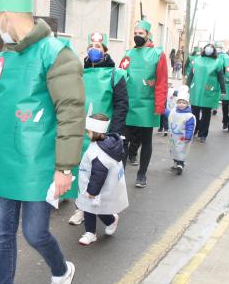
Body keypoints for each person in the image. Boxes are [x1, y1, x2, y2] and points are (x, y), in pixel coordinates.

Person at [0, 0, 84, 284]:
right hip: (4, 160)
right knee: (1, 236)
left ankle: (62, 270)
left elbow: (71, 112)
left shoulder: (56, 53)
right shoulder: (4, 57)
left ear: (8, 15)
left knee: (35, 233)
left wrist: (65, 167)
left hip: (39, 163)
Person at [68, 32, 129, 226]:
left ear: (105, 51)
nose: (93, 50)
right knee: (80, 170)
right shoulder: (79, 73)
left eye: (98, 47)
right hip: (80, 131)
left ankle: (105, 213)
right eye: (90, 47)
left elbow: (121, 105)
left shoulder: (115, 74)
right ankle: (81, 208)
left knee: (99, 173)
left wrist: (116, 133)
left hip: (102, 134)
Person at [119, 19, 168, 188]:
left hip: (148, 106)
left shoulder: (158, 54)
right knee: (123, 141)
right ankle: (119, 175)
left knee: (146, 141)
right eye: (135, 33)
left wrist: (159, 106)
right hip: (129, 105)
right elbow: (120, 77)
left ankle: (142, 175)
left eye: (141, 33)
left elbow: (162, 81)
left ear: (148, 35)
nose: (137, 36)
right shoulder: (128, 54)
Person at [76, 114, 128, 245]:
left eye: (88, 131)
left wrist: (92, 191)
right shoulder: (107, 143)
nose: (87, 134)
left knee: (97, 208)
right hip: (101, 186)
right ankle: (90, 232)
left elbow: (98, 174)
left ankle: (110, 221)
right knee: (89, 208)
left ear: (94, 132)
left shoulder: (99, 152)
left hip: (96, 187)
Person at [186, 43, 226, 142]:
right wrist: (186, 86)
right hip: (196, 90)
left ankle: (203, 134)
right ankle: (195, 129)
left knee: (206, 114)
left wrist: (223, 90)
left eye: (211, 48)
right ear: (204, 49)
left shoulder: (217, 62)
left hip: (209, 91)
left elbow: (221, 77)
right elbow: (191, 74)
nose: (209, 49)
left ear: (214, 51)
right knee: (194, 112)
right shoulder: (197, 60)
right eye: (207, 47)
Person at [166, 86, 195, 174]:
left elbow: (190, 127)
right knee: (174, 148)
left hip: (183, 137)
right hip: (174, 136)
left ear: (187, 104)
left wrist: (188, 136)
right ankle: (175, 161)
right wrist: (162, 110)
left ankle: (180, 164)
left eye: (183, 103)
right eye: (179, 102)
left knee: (181, 150)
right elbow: (169, 114)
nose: (181, 104)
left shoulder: (189, 116)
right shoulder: (174, 111)